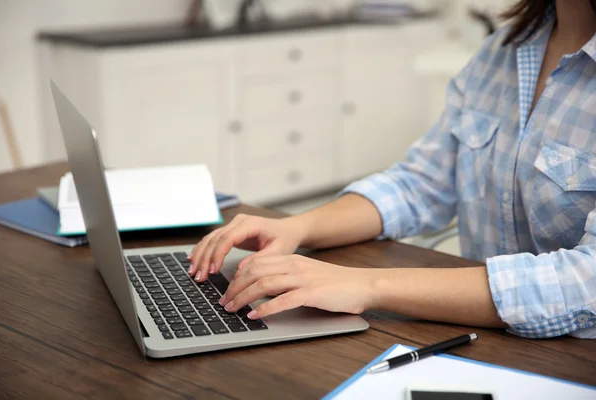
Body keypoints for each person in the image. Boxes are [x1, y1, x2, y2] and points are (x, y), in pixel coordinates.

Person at [188, 0, 596, 339]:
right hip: (477, 334)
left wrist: (365, 285)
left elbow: (586, 279)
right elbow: (420, 183)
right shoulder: (505, 49)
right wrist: (299, 227)